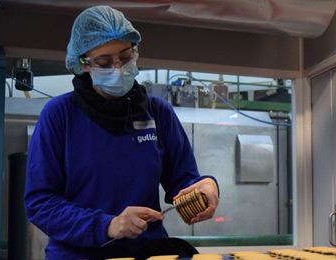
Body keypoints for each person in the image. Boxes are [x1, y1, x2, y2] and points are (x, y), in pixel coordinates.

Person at [24, 5, 219, 259]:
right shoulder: (60, 114)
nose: (117, 68)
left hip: (148, 252)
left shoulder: (158, 112)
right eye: (104, 62)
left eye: (125, 57)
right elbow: (41, 203)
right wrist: (107, 225)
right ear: (84, 64)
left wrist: (206, 186)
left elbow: (183, 183)